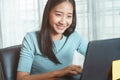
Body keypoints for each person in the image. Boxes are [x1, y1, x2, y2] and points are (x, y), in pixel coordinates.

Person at [17, 0, 88, 80]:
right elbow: (21, 78)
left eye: (69, 16)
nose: (63, 22)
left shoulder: (74, 36)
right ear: (48, 13)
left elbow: (95, 56)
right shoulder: (31, 39)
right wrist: (59, 72)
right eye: (58, 14)